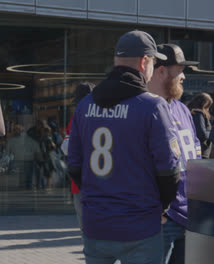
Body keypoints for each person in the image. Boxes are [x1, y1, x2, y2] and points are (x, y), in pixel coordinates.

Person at [67, 30, 181, 264]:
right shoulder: (153, 107)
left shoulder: (85, 105)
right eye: (154, 62)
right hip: (140, 226)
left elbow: (74, 165)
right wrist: (161, 207)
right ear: (144, 62)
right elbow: (169, 170)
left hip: (96, 224)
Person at [147, 43, 202, 264]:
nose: (184, 77)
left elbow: (195, 156)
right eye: (180, 70)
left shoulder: (182, 109)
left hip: (188, 216)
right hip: (161, 219)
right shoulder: (144, 109)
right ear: (161, 71)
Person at [61, 82, 95, 230]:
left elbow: (67, 148)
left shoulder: (77, 117)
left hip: (80, 182)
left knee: (86, 228)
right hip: (105, 181)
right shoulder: (108, 116)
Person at [187, 93, 213, 159]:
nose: (208, 109)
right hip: (202, 151)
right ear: (204, 105)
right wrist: (212, 132)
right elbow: (201, 134)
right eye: (208, 106)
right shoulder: (198, 115)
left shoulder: (190, 112)